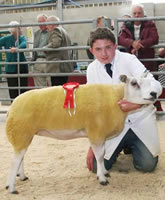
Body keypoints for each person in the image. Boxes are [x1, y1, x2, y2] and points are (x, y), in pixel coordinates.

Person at [86, 27, 162, 174]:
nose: (104, 53)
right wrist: (92, 145)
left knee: (147, 166)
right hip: (111, 128)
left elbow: (155, 85)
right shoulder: (91, 69)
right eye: (98, 49)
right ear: (91, 51)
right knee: (96, 167)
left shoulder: (129, 60)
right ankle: (123, 145)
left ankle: (133, 146)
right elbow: (94, 108)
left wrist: (137, 104)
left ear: (115, 46)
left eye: (108, 47)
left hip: (139, 121)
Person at [118, 4, 162, 111]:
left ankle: (156, 108)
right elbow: (120, 39)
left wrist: (138, 45)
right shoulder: (125, 25)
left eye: (139, 13)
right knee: (134, 86)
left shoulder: (150, 23)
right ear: (131, 14)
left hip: (146, 60)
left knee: (149, 84)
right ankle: (134, 107)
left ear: (143, 14)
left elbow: (154, 38)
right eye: (135, 13)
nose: (137, 15)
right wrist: (132, 43)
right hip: (132, 60)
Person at [0, 21, 28, 102]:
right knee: (13, 90)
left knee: (23, 89)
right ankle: (14, 105)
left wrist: (16, 48)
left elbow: (24, 44)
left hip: (22, 66)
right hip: (11, 67)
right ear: (14, 30)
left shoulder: (22, 38)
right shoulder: (6, 39)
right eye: (19, 28)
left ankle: (23, 105)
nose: (21, 30)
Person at [44, 15, 73, 86]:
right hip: (63, 66)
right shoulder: (63, 31)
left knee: (57, 89)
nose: (46, 27)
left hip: (57, 67)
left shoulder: (56, 30)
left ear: (52, 24)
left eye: (47, 24)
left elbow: (55, 43)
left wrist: (45, 48)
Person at [33, 14, 50, 87]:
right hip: (38, 59)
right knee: (39, 85)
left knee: (51, 83)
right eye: (39, 22)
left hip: (49, 59)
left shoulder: (52, 31)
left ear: (47, 21)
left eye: (42, 22)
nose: (40, 24)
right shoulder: (37, 33)